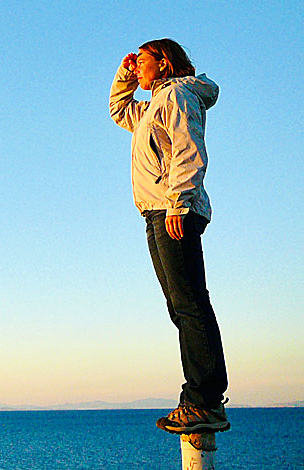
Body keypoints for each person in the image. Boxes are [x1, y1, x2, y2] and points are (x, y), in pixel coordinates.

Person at [109, 38, 229, 434]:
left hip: (173, 210)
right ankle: (197, 398)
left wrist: (179, 202)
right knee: (181, 307)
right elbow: (118, 110)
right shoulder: (153, 105)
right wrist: (125, 74)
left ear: (163, 63)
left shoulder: (177, 94)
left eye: (142, 61)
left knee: (190, 304)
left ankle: (205, 400)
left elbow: (188, 148)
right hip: (157, 212)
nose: (137, 67)